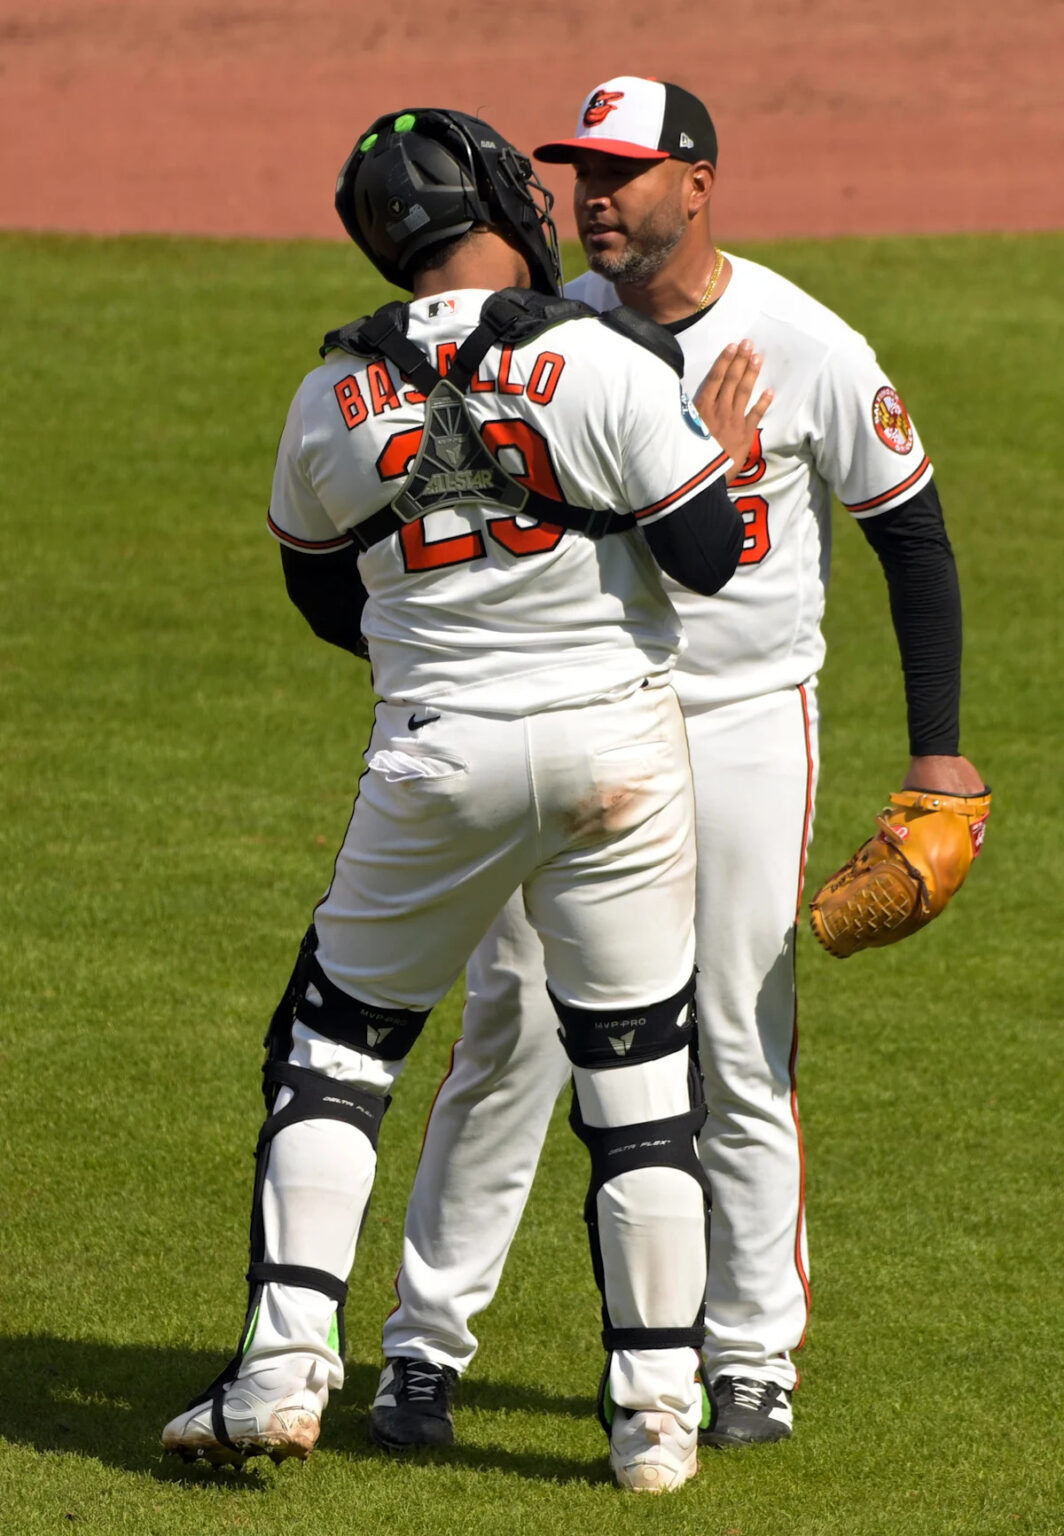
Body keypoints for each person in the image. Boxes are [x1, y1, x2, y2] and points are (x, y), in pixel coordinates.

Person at [370, 77, 988, 1454]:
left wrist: (938, 754)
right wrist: (682, 466)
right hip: (587, 711)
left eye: (626, 172)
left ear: (698, 185)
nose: (594, 195)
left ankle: (752, 1355)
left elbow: (915, 538)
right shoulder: (547, 337)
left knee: (735, 1034)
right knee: (513, 1023)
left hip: (749, 718)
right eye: (581, 171)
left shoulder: (807, 340)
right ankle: (422, 1352)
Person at [161, 104, 770, 1494]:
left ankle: (278, 1368)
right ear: (501, 197)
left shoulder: (331, 393)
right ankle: (655, 1422)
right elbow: (708, 557)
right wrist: (702, 468)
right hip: (616, 756)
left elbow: (323, 589)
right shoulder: (598, 355)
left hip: (432, 757)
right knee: (640, 1084)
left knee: (335, 1051)